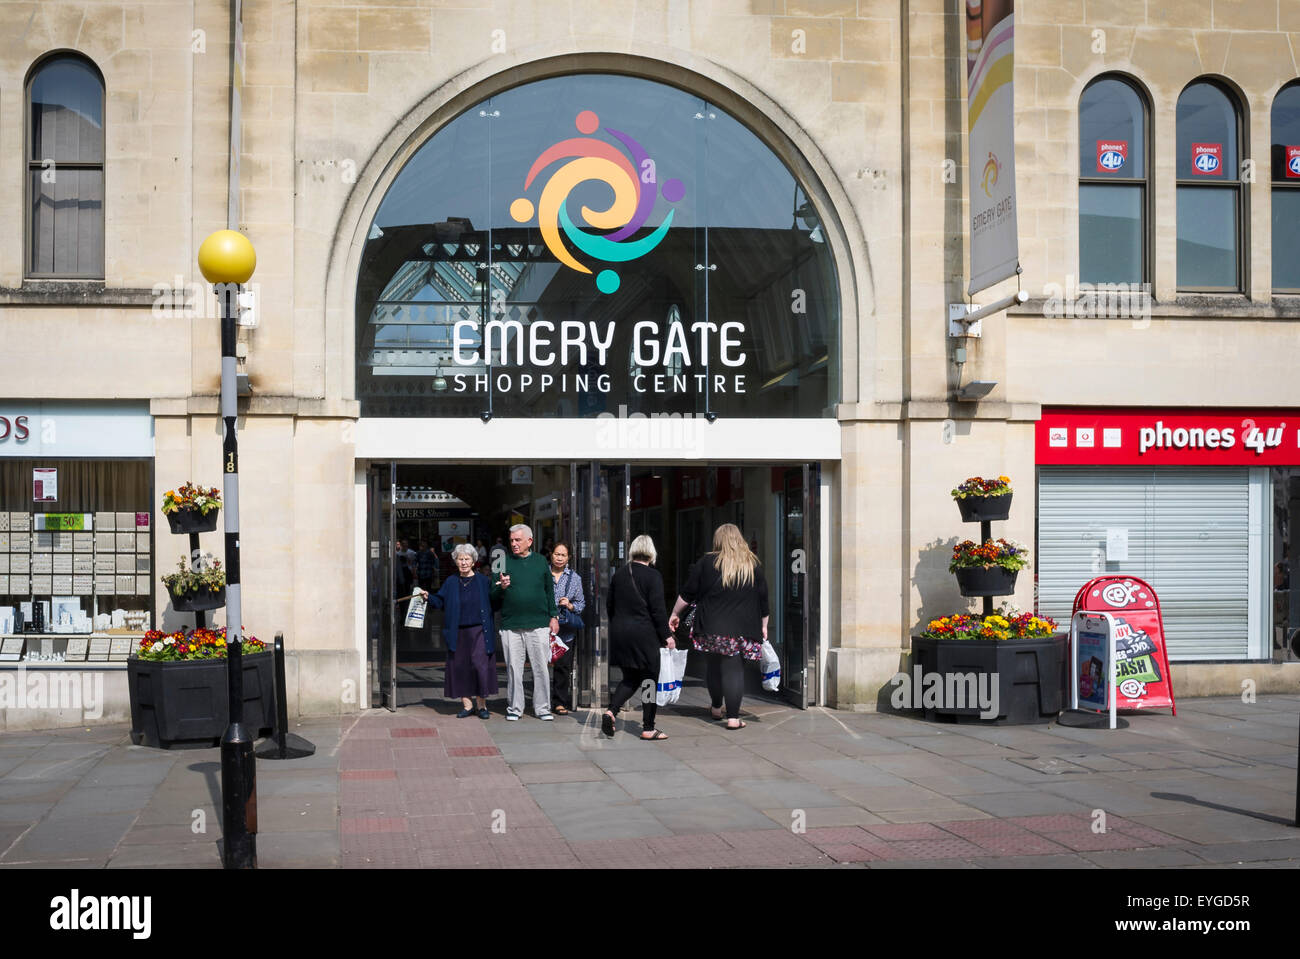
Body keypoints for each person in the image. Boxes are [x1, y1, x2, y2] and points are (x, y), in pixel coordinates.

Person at [669, 523, 768, 731]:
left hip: (711, 627)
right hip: (741, 629)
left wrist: (675, 614)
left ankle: (715, 707)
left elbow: (688, 593)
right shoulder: (752, 565)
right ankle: (733, 717)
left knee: (713, 666)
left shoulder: (706, 562)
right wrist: (764, 626)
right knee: (734, 670)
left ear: (718, 540)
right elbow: (763, 600)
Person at [602, 535, 675, 741]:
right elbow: (658, 611)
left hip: (622, 634)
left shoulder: (620, 575)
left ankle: (611, 711)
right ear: (652, 553)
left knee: (630, 677)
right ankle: (648, 727)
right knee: (649, 680)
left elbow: (610, 605)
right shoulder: (654, 576)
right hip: (645, 635)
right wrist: (667, 636)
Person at [492, 524, 559, 721]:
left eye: (517, 540)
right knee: (514, 669)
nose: (513, 543)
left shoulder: (540, 561)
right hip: (511, 625)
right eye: (511, 540)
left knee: (541, 668)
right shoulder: (501, 562)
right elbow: (492, 594)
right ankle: (514, 708)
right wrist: (501, 587)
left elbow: (549, 591)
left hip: (538, 623)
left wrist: (553, 615)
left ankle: (543, 708)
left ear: (529, 541)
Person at [424, 544, 498, 719]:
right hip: (458, 632)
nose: (464, 562)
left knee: (480, 666)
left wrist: (502, 589)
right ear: (455, 561)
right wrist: (428, 597)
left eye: (467, 559)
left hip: (480, 630)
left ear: (473, 561)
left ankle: (482, 705)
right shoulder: (450, 582)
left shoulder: (483, 581)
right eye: (460, 559)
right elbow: (440, 601)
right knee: (461, 667)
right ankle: (467, 705)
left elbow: (495, 602)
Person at [548, 541, 585, 715]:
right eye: (557, 554)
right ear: (551, 555)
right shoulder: (543, 574)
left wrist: (570, 605)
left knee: (562, 666)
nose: (560, 558)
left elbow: (581, 603)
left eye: (563, 555)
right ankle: (541, 701)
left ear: (568, 557)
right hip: (543, 626)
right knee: (541, 664)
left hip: (565, 629)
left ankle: (559, 702)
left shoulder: (574, 578)